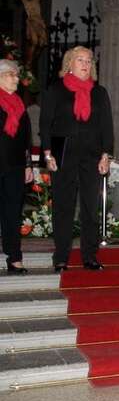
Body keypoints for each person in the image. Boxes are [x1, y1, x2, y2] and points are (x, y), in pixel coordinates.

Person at [40, 46, 113, 272]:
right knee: (63, 207)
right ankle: (61, 257)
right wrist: (47, 153)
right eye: (80, 60)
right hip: (62, 153)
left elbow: (106, 126)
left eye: (89, 61)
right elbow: (45, 123)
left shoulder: (99, 92)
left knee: (91, 207)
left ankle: (89, 256)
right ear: (69, 64)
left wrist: (106, 154)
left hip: (92, 155)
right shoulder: (56, 89)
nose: (85, 64)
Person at [0, 59, 34, 274]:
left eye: (16, 75)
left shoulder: (20, 105)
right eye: (11, 74)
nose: (16, 79)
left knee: (13, 212)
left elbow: (26, 138)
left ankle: (14, 257)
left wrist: (28, 165)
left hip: (15, 166)